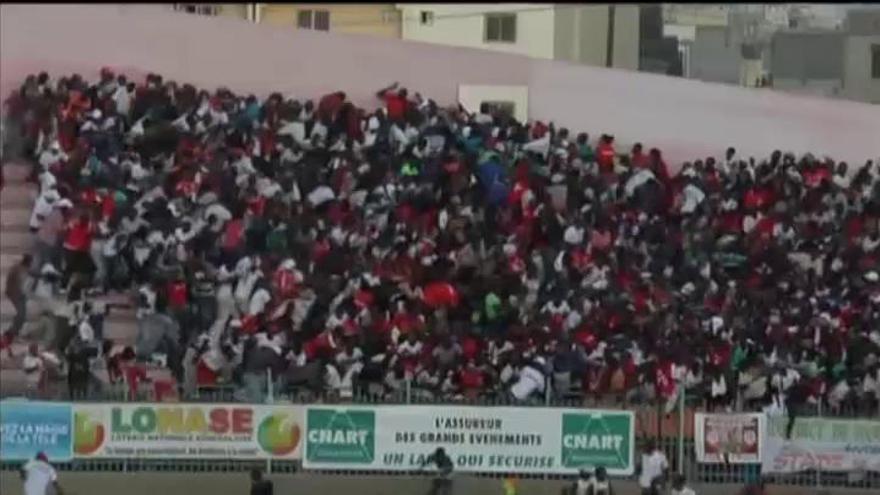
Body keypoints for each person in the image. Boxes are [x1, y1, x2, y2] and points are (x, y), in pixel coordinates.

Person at [3, 254, 32, 352]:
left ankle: (13, 333)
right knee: (21, 314)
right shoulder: (17, 269)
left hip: (20, 294)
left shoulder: (23, 269)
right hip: (15, 294)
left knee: (21, 315)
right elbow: (12, 283)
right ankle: (12, 333)